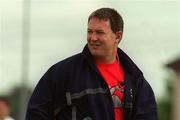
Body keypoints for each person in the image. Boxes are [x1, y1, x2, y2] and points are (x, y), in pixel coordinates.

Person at [26, 8, 158, 120]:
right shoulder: (62, 73)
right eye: (90, 31)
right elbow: (36, 113)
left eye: (100, 32)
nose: (92, 38)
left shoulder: (135, 79)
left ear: (118, 36)